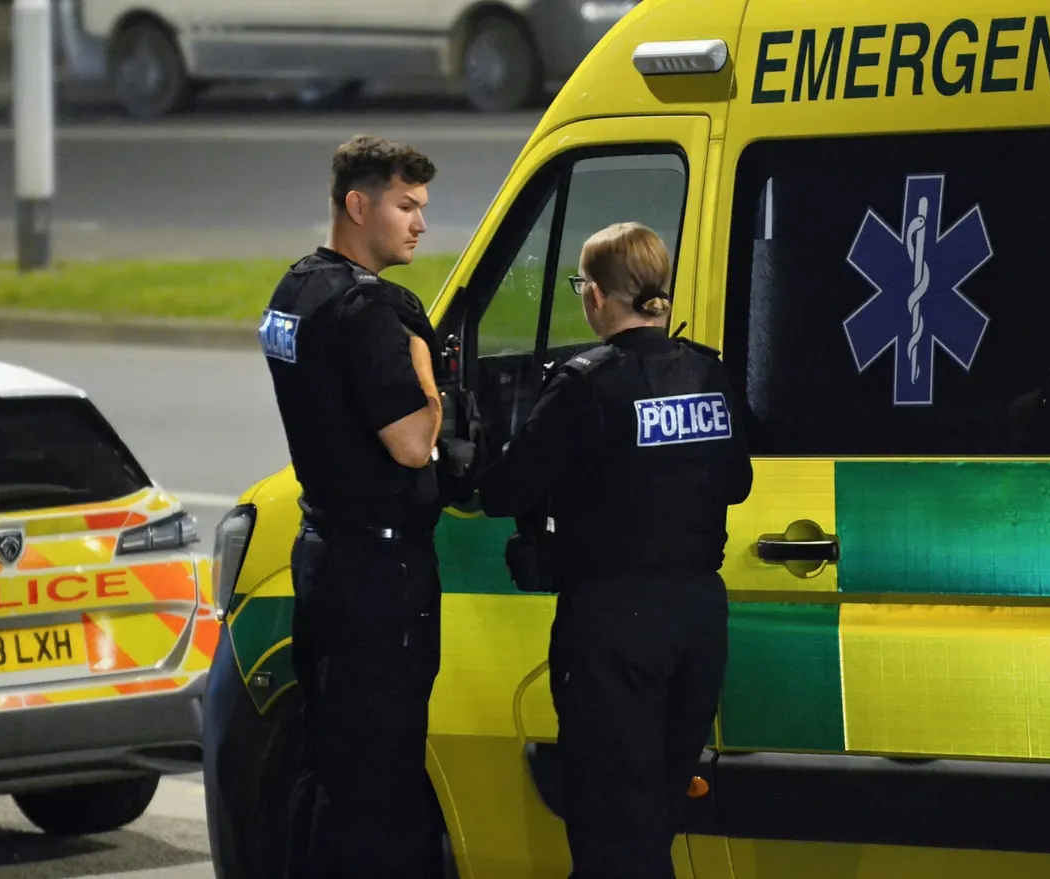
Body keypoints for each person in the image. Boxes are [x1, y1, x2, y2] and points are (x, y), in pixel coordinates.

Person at [475, 222, 755, 879]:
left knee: (610, 826)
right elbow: (736, 482)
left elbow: (503, 488)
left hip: (614, 623)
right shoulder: (708, 370)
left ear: (598, 296)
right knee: (652, 817)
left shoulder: (585, 384)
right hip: (696, 619)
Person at [257, 134, 447, 879]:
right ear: (358, 204)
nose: (420, 223)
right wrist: (428, 376)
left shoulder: (294, 290)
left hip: (325, 554)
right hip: (381, 572)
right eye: (406, 205)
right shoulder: (371, 311)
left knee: (332, 766)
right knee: (384, 780)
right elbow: (411, 442)